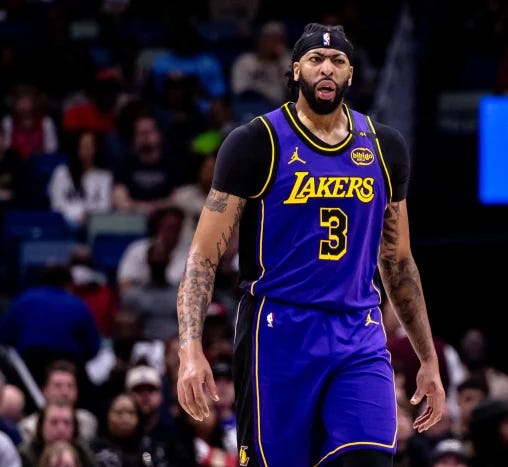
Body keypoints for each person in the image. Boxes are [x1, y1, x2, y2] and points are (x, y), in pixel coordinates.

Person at [176, 22, 446, 467]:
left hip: (358, 329)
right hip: (280, 330)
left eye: (338, 61)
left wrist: (428, 359)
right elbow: (203, 256)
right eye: (316, 60)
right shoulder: (255, 143)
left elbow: (397, 262)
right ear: (296, 68)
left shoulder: (384, 148)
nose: (327, 69)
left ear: (351, 75)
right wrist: (190, 350)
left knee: (370, 458)